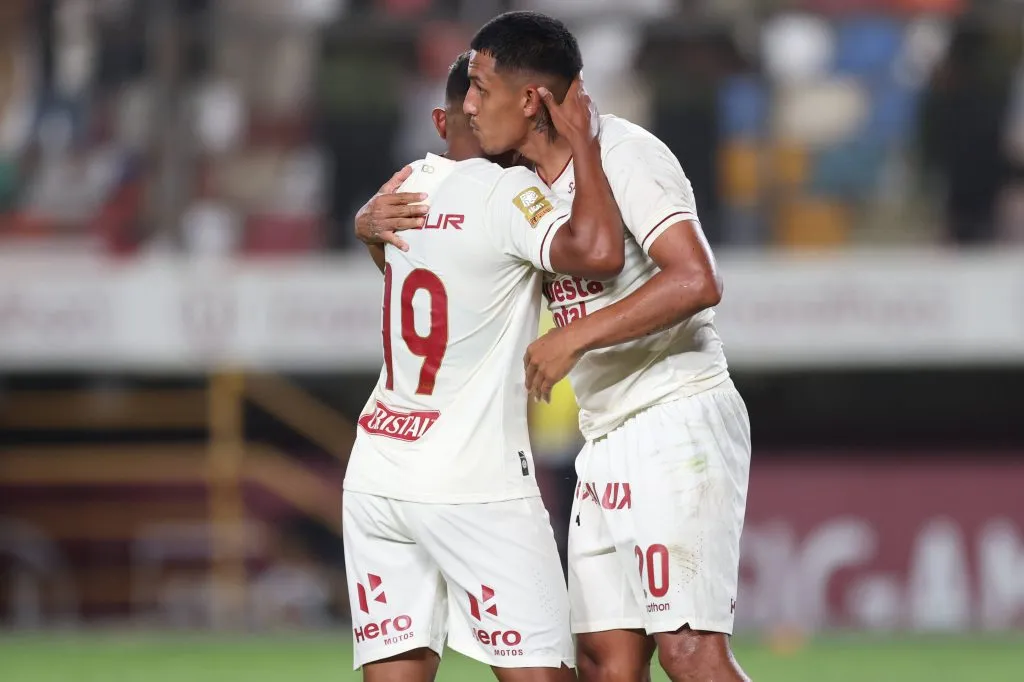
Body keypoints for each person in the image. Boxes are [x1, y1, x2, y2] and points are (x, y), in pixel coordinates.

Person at [358, 13, 753, 682]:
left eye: (482, 87)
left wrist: (576, 336)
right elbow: (451, 284)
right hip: (605, 434)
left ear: (532, 99)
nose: (470, 104)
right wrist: (370, 230)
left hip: (674, 414)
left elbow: (698, 279)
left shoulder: (626, 153)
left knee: (689, 651)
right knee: (604, 660)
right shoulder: (513, 182)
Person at [343, 52, 623, 682]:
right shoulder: (508, 192)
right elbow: (599, 254)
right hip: (473, 480)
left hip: (378, 474)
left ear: (444, 121)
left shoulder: (405, 184)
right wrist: (584, 145)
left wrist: (365, 232)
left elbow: (424, 274)